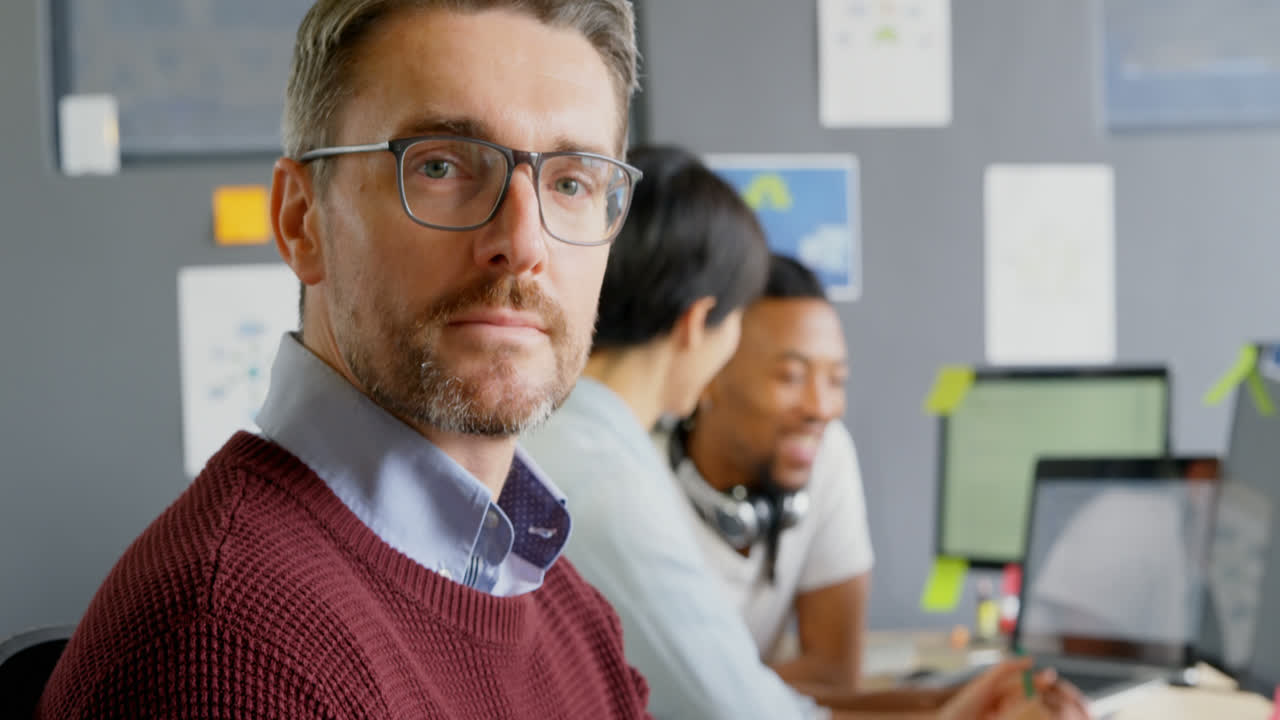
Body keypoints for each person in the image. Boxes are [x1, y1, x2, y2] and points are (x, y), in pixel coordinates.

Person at [38, 1, 652, 718]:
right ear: (302, 221)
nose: (522, 242)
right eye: (442, 166)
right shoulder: (224, 647)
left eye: (571, 183)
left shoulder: (564, 603)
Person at [523, 150, 1065, 720]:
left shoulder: (563, 440)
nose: (818, 408)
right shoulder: (605, 484)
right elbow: (738, 712)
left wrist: (942, 706)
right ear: (696, 324)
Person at [667, 254, 1088, 718]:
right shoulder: (635, 484)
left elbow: (830, 674)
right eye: (791, 376)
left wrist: (956, 703)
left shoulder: (825, 454)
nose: (822, 407)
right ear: (708, 371)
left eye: (836, 380)